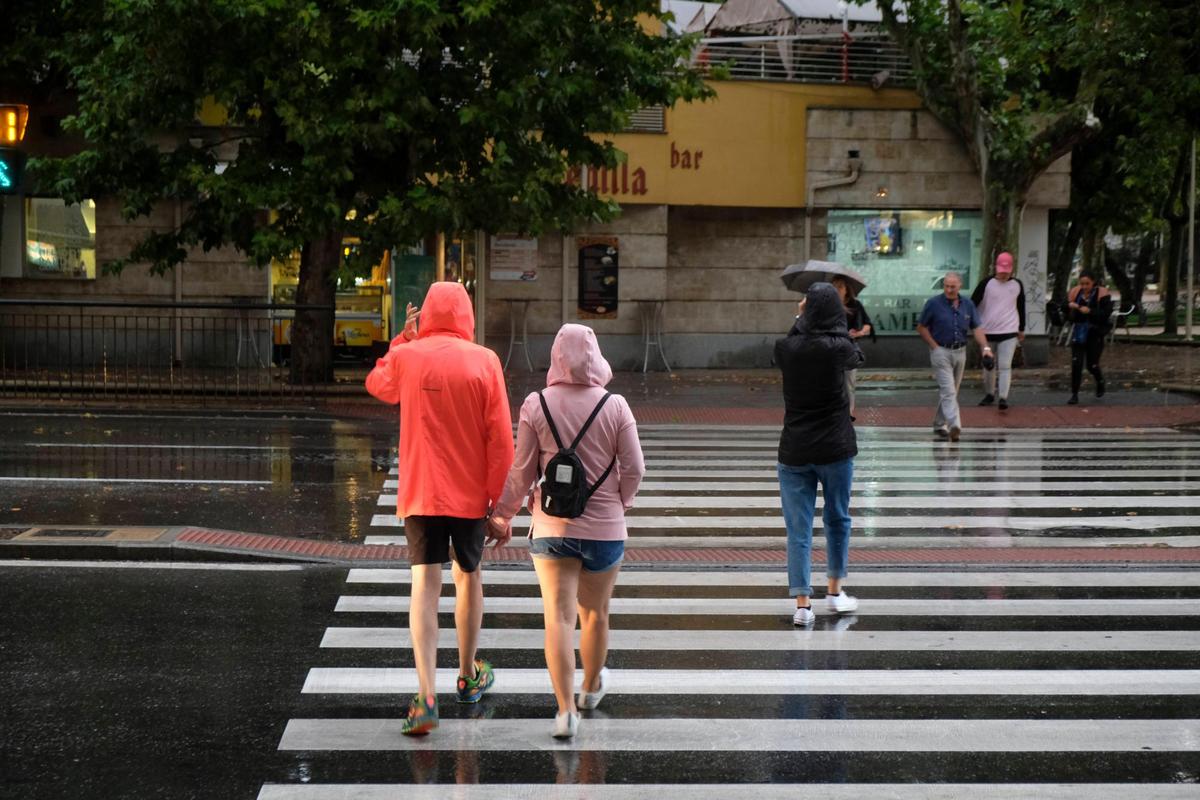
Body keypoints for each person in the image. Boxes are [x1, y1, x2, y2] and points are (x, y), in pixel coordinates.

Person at [364, 281, 514, 736]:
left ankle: (425, 697)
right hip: (469, 496)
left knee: (424, 586)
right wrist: (500, 506)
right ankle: (468, 676)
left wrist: (404, 339)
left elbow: (377, 384)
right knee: (468, 577)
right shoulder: (484, 361)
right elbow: (500, 440)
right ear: (467, 315)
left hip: (421, 493)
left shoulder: (408, 358)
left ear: (426, 314)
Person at [488, 324, 645, 740]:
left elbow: (522, 472)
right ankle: (590, 689)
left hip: (552, 527)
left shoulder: (536, 404)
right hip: (606, 530)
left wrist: (502, 515)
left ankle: (563, 713)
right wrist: (620, 502)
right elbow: (635, 468)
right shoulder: (616, 406)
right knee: (595, 614)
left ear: (557, 356)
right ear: (595, 357)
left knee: (557, 619)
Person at [775, 282, 864, 627]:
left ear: (807, 309)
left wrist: (801, 318)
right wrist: (836, 323)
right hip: (835, 447)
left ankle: (802, 604)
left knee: (798, 529)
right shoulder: (838, 348)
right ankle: (835, 591)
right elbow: (857, 354)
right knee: (838, 518)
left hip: (795, 448)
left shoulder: (786, 347)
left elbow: (791, 342)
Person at [916, 272, 992, 441]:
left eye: (953, 286)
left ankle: (938, 423)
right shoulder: (933, 304)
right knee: (948, 390)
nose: (949, 290)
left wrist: (985, 347)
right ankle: (954, 424)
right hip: (941, 350)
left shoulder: (968, 304)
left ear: (960, 285)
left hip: (960, 351)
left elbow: (977, 328)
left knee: (951, 391)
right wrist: (934, 347)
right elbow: (921, 327)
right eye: (946, 286)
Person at [971, 252, 1026, 410]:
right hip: (987, 332)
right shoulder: (986, 283)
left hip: (1009, 331)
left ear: (1011, 269)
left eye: (1006, 270)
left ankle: (1003, 397)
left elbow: (1021, 307)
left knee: (1005, 365)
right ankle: (989, 394)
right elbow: (972, 303)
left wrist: (1021, 328)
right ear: (996, 267)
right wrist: (973, 324)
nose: (1003, 273)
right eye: (1001, 270)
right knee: (988, 365)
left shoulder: (1017, 285)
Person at [1064, 271, 1113, 405]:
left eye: (1087, 284)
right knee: (1076, 364)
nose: (1084, 287)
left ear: (1093, 282)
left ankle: (1100, 380)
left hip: (1094, 333)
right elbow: (1065, 309)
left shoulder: (1102, 294)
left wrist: (1090, 311)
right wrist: (1069, 307)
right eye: (1082, 284)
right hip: (1079, 332)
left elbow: (1106, 313)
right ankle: (1074, 394)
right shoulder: (1075, 293)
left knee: (1092, 364)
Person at [830, 275, 874, 419]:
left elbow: (868, 324)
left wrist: (860, 332)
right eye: (834, 286)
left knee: (849, 382)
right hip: (830, 347)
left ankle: (848, 413)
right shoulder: (828, 305)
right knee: (833, 382)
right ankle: (834, 411)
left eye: (840, 286)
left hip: (849, 347)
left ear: (846, 289)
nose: (837, 290)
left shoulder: (855, 305)